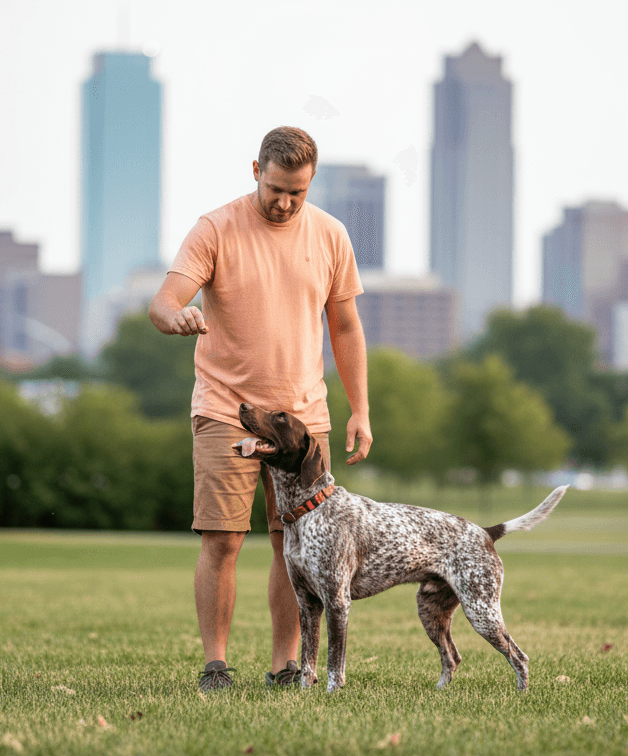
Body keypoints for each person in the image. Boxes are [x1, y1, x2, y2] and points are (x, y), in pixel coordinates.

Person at [148, 126, 372, 691]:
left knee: (291, 542)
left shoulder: (330, 235)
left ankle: (284, 666)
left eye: (297, 192)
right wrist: (174, 316)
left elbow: (344, 325)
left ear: (311, 182)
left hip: (303, 417)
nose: (284, 202)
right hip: (227, 408)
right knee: (222, 539)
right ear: (255, 170)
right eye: (275, 188)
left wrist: (360, 409)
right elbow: (164, 299)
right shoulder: (216, 228)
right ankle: (216, 666)